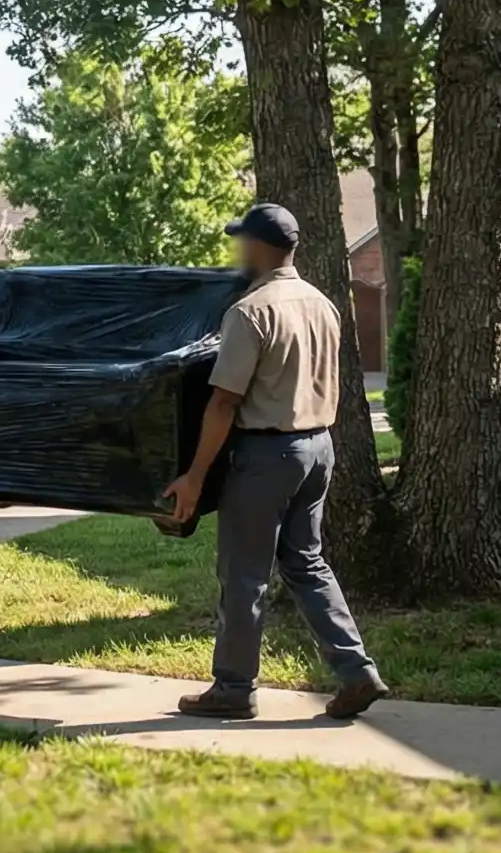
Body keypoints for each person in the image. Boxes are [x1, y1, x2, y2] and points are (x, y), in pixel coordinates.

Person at [162, 201, 391, 721]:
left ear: (261, 247)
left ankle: (233, 689)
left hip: (266, 453)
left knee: (244, 573)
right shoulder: (322, 304)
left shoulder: (250, 311)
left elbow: (223, 401)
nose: (238, 249)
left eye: (243, 240)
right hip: (318, 448)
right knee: (306, 562)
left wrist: (194, 477)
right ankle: (357, 672)